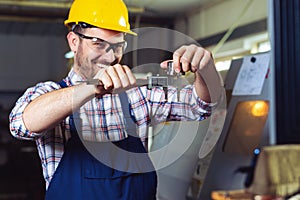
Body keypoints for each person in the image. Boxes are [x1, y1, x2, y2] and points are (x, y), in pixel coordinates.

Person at [9, 0, 223, 199]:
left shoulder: (138, 96)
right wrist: (91, 87)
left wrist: (205, 70)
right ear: (74, 42)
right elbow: (21, 125)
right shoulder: (49, 93)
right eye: (99, 44)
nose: (111, 57)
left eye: (117, 45)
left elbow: (200, 106)